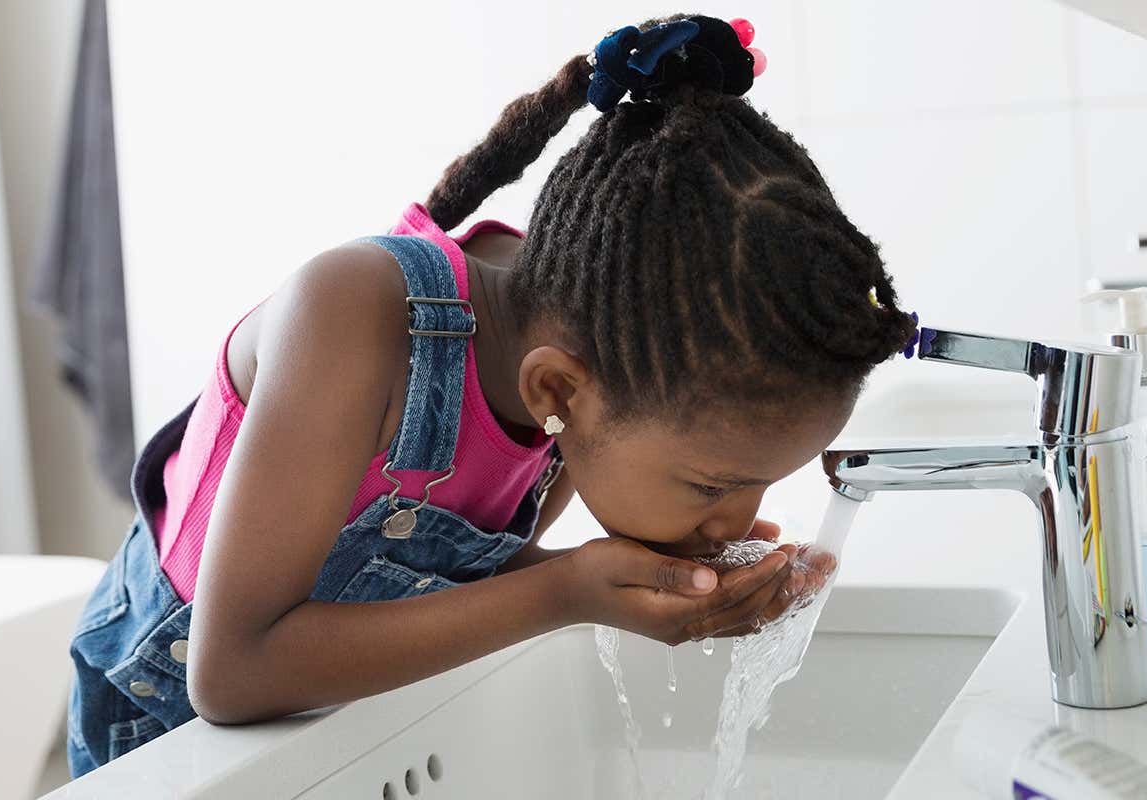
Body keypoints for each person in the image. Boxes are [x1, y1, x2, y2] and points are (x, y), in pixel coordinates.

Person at [65, 12, 918, 779]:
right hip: (166, 733)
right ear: (557, 389)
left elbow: (455, 573)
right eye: (713, 485)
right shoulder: (356, 320)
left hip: (328, 725)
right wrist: (564, 591)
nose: (736, 523)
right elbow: (234, 671)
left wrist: (624, 582)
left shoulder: (594, 345)